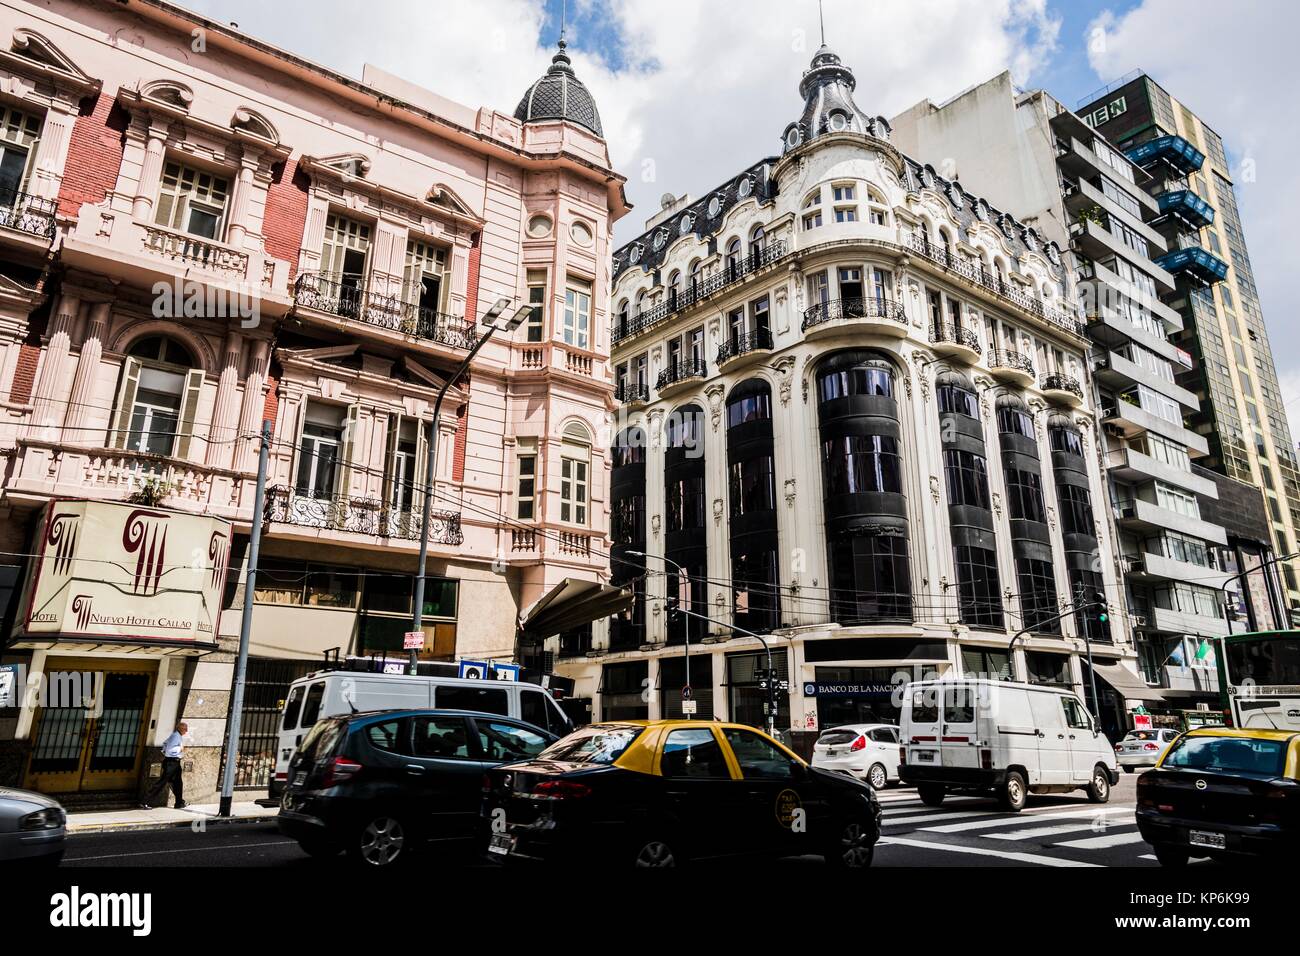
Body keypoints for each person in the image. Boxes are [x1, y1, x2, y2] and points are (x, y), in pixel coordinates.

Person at [142, 721, 188, 809]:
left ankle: (179, 802)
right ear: (180, 729)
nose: (186, 731)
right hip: (172, 763)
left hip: (174, 762)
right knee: (162, 782)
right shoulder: (175, 736)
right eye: (185, 729)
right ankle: (145, 801)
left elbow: (165, 745)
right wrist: (181, 749)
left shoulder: (176, 735)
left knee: (178, 783)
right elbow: (170, 749)